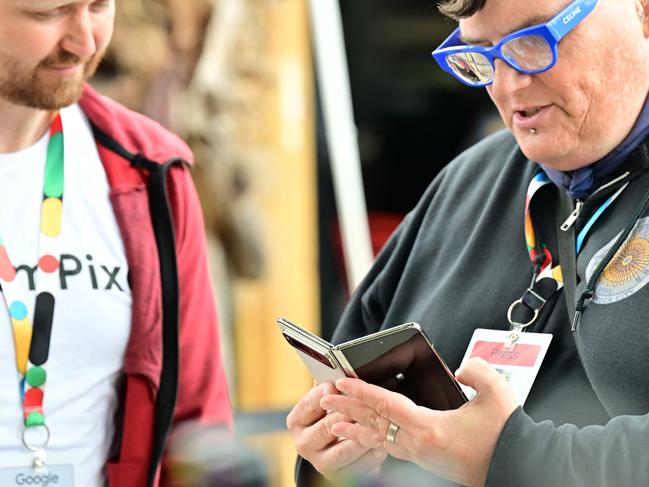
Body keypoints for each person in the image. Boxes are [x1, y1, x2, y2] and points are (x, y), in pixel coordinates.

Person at [287, 0, 649, 485]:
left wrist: (517, 457)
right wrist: (333, 459)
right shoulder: (464, 184)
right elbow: (349, 392)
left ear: (642, 12)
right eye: (481, 56)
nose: (508, 84)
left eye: (534, 40)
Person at [0, 1, 232, 486]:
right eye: (49, 13)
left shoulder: (151, 172)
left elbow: (197, 421)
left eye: (99, 6)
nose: (84, 41)